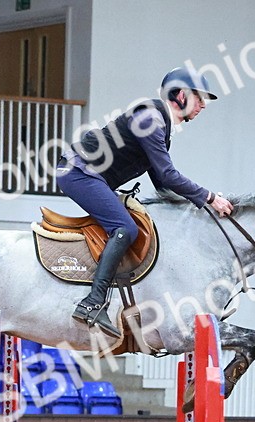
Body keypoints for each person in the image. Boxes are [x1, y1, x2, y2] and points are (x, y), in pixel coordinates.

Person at [56, 66, 235, 338]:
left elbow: (162, 183)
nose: (203, 106)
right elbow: (168, 174)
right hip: (78, 172)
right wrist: (209, 197)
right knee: (125, 228)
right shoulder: (151, 119)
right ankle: (92, 303)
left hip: (89, 175)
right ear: (181, 95)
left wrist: (195, 207)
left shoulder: (160, 125)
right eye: (200, 98)